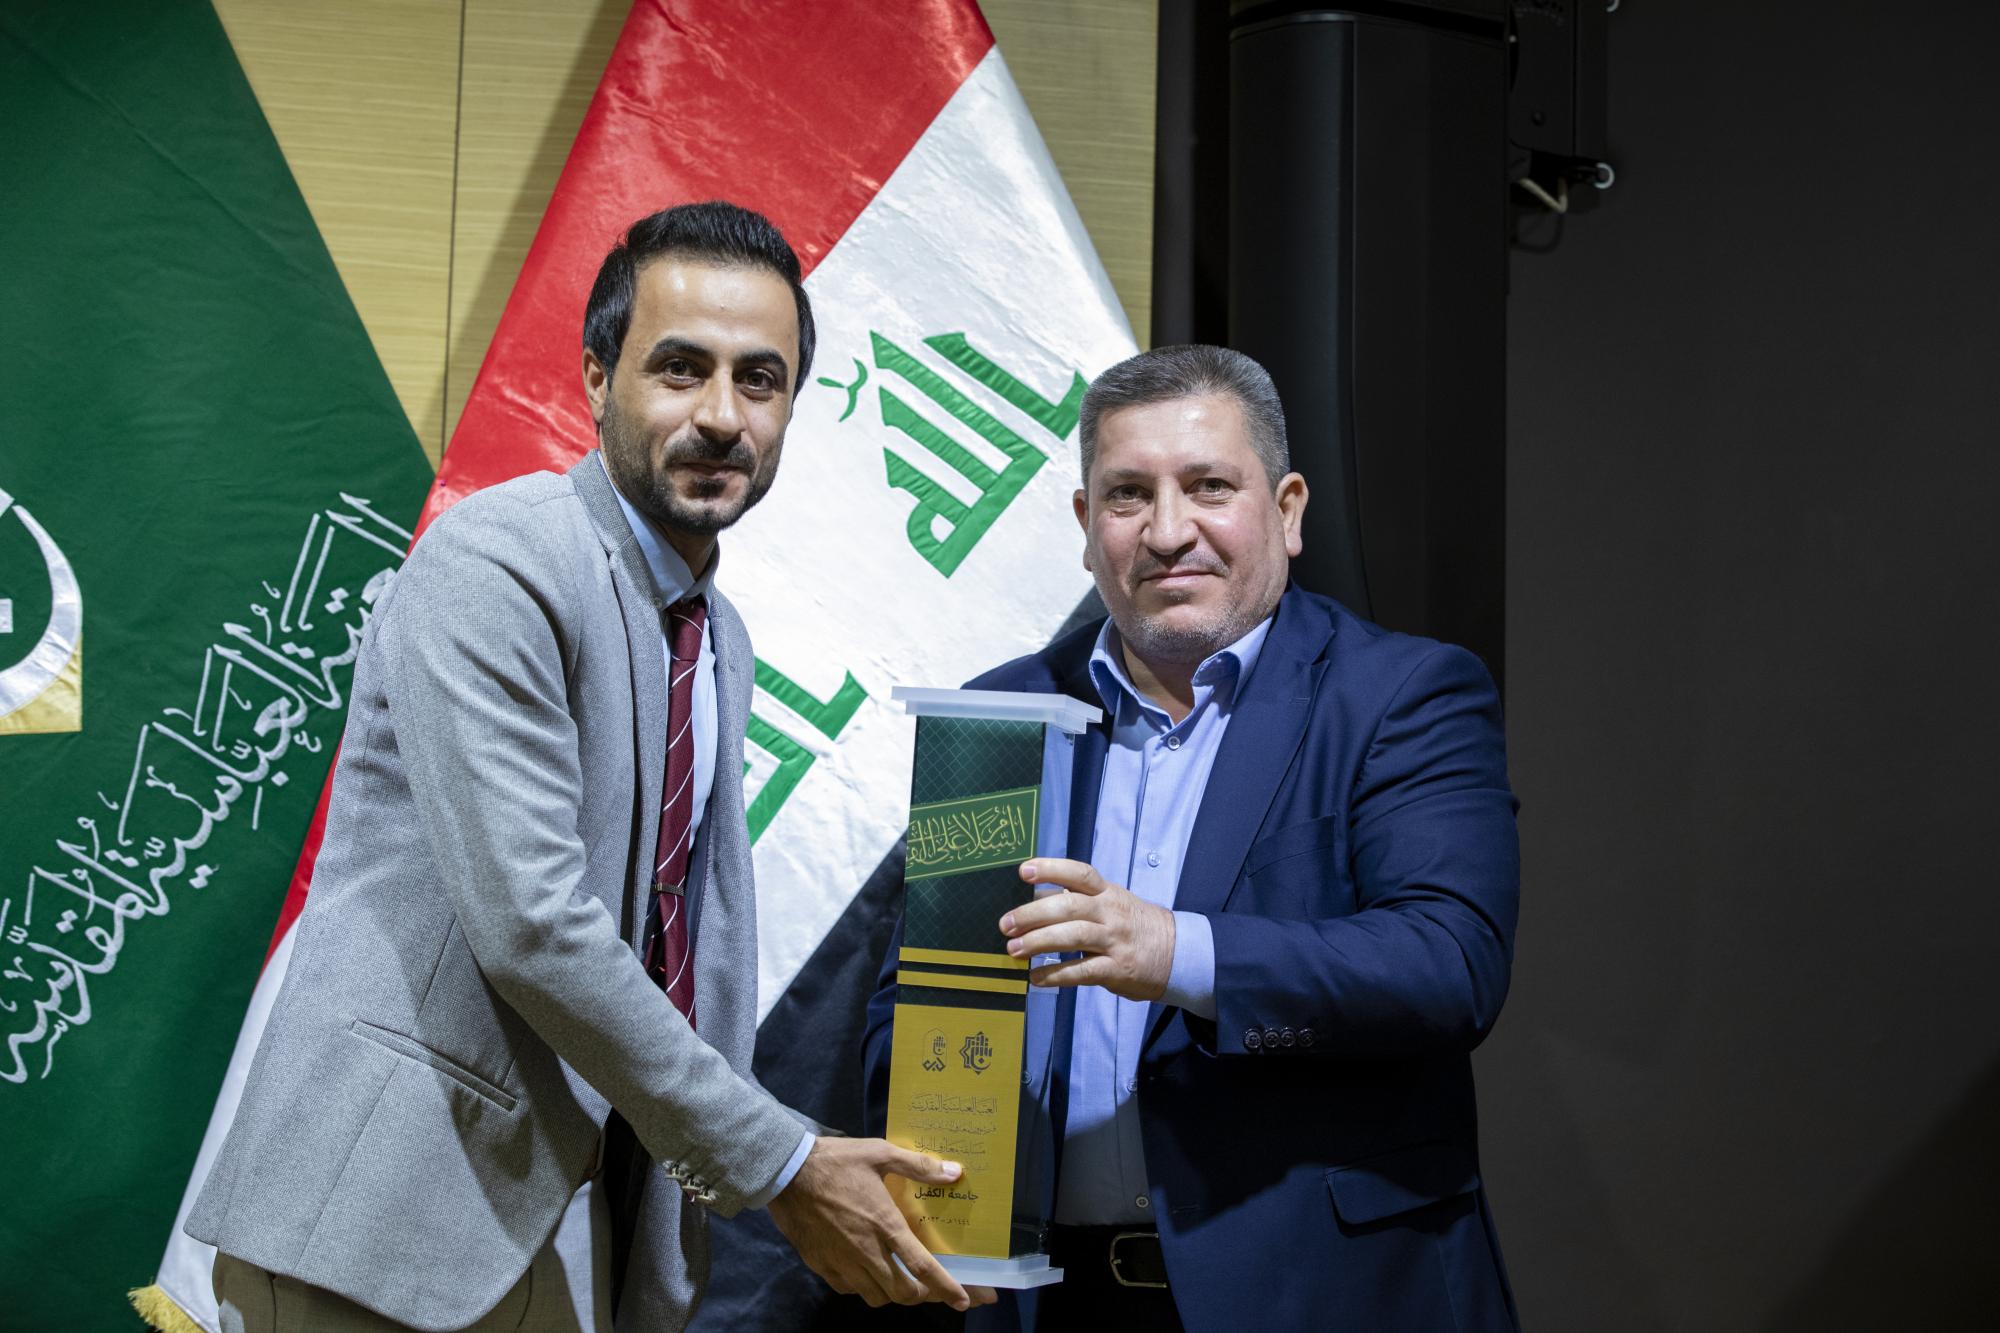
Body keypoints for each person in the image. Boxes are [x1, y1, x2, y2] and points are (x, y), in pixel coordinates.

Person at [187, 202, 985, 1332]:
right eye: (681, 369)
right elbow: (535, 924)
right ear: (598, 378)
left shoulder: (717, 634)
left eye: (760, 381)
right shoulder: (500, 559)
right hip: (384, 1220)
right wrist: (782, 1162)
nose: (722, 415)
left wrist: (750, 1170)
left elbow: (688, 949)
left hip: (581, 1225)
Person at [864, 344, 1522, 1331]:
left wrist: (1175, 951)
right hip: (1045, 1301)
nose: (1169, 531)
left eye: (1209, 486)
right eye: (1128, 495)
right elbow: (914, 1006)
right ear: (1086, 526)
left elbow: (1448, 963)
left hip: (1320, 1299)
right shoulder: (1002, 716)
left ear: (1287, 509)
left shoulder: (1401, 694)